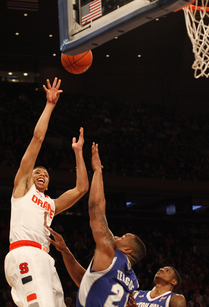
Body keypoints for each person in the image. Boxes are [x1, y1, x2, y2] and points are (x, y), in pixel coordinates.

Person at [4, 77, 89, 307]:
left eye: (46, 173)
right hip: (25, 253)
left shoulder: (51, 204)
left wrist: (78, 152)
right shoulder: (22, 188)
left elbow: (82, 189)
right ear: (29, 176)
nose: (41, 173)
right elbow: (38, 137)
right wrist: (50, 105)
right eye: (37, 171)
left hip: (45, 259)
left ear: (48, 184)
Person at [47, 142, 146, 307]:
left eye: (123, 237)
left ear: (127, 250)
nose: (116, 236)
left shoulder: (110, 253)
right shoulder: (132, 282)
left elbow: (96, 209)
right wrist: (65, 251)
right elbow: (84, 281)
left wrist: (98, 171)